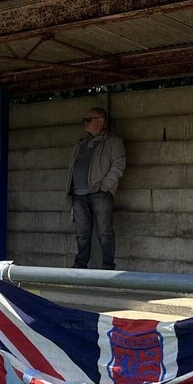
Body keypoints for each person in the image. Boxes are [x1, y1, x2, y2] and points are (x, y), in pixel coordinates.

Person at [67, 107, 126, 269]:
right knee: (82, 234)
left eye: (88, 120)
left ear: (100, 121)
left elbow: (118, 165)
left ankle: (107, 267)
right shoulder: (81, 143)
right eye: (84, 120)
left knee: (105, 232)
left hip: (100, 194)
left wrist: (104, 186)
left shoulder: (113, 141)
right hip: (78, 194)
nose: (84, 123)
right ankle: (80, 266)